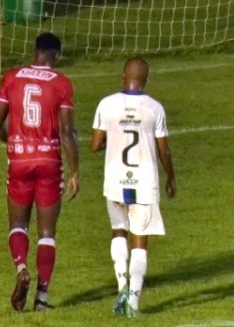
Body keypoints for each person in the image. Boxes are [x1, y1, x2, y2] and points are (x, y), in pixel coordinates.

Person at [0, 32, 79, 312]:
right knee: (47, 232)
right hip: (48, 161)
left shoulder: (12, 77)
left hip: (18, 160)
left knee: (17, 225)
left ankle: (20, 269)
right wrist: (75, 171)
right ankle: (41, 298)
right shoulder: (62, 83)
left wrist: (12, 141)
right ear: (56, 54)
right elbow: (66, 131)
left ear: (34, 51)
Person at [90, 56, 177, 318]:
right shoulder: (154, 108)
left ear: (122, 74)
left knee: (118, 231)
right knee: (140, 239)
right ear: (146, 78)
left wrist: (114, 139)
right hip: (145, 181)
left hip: (115, 179)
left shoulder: (106, 104)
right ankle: (134, 303)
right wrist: (171, 176)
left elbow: (95, 145)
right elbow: (164, 150)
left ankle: (121, 288)